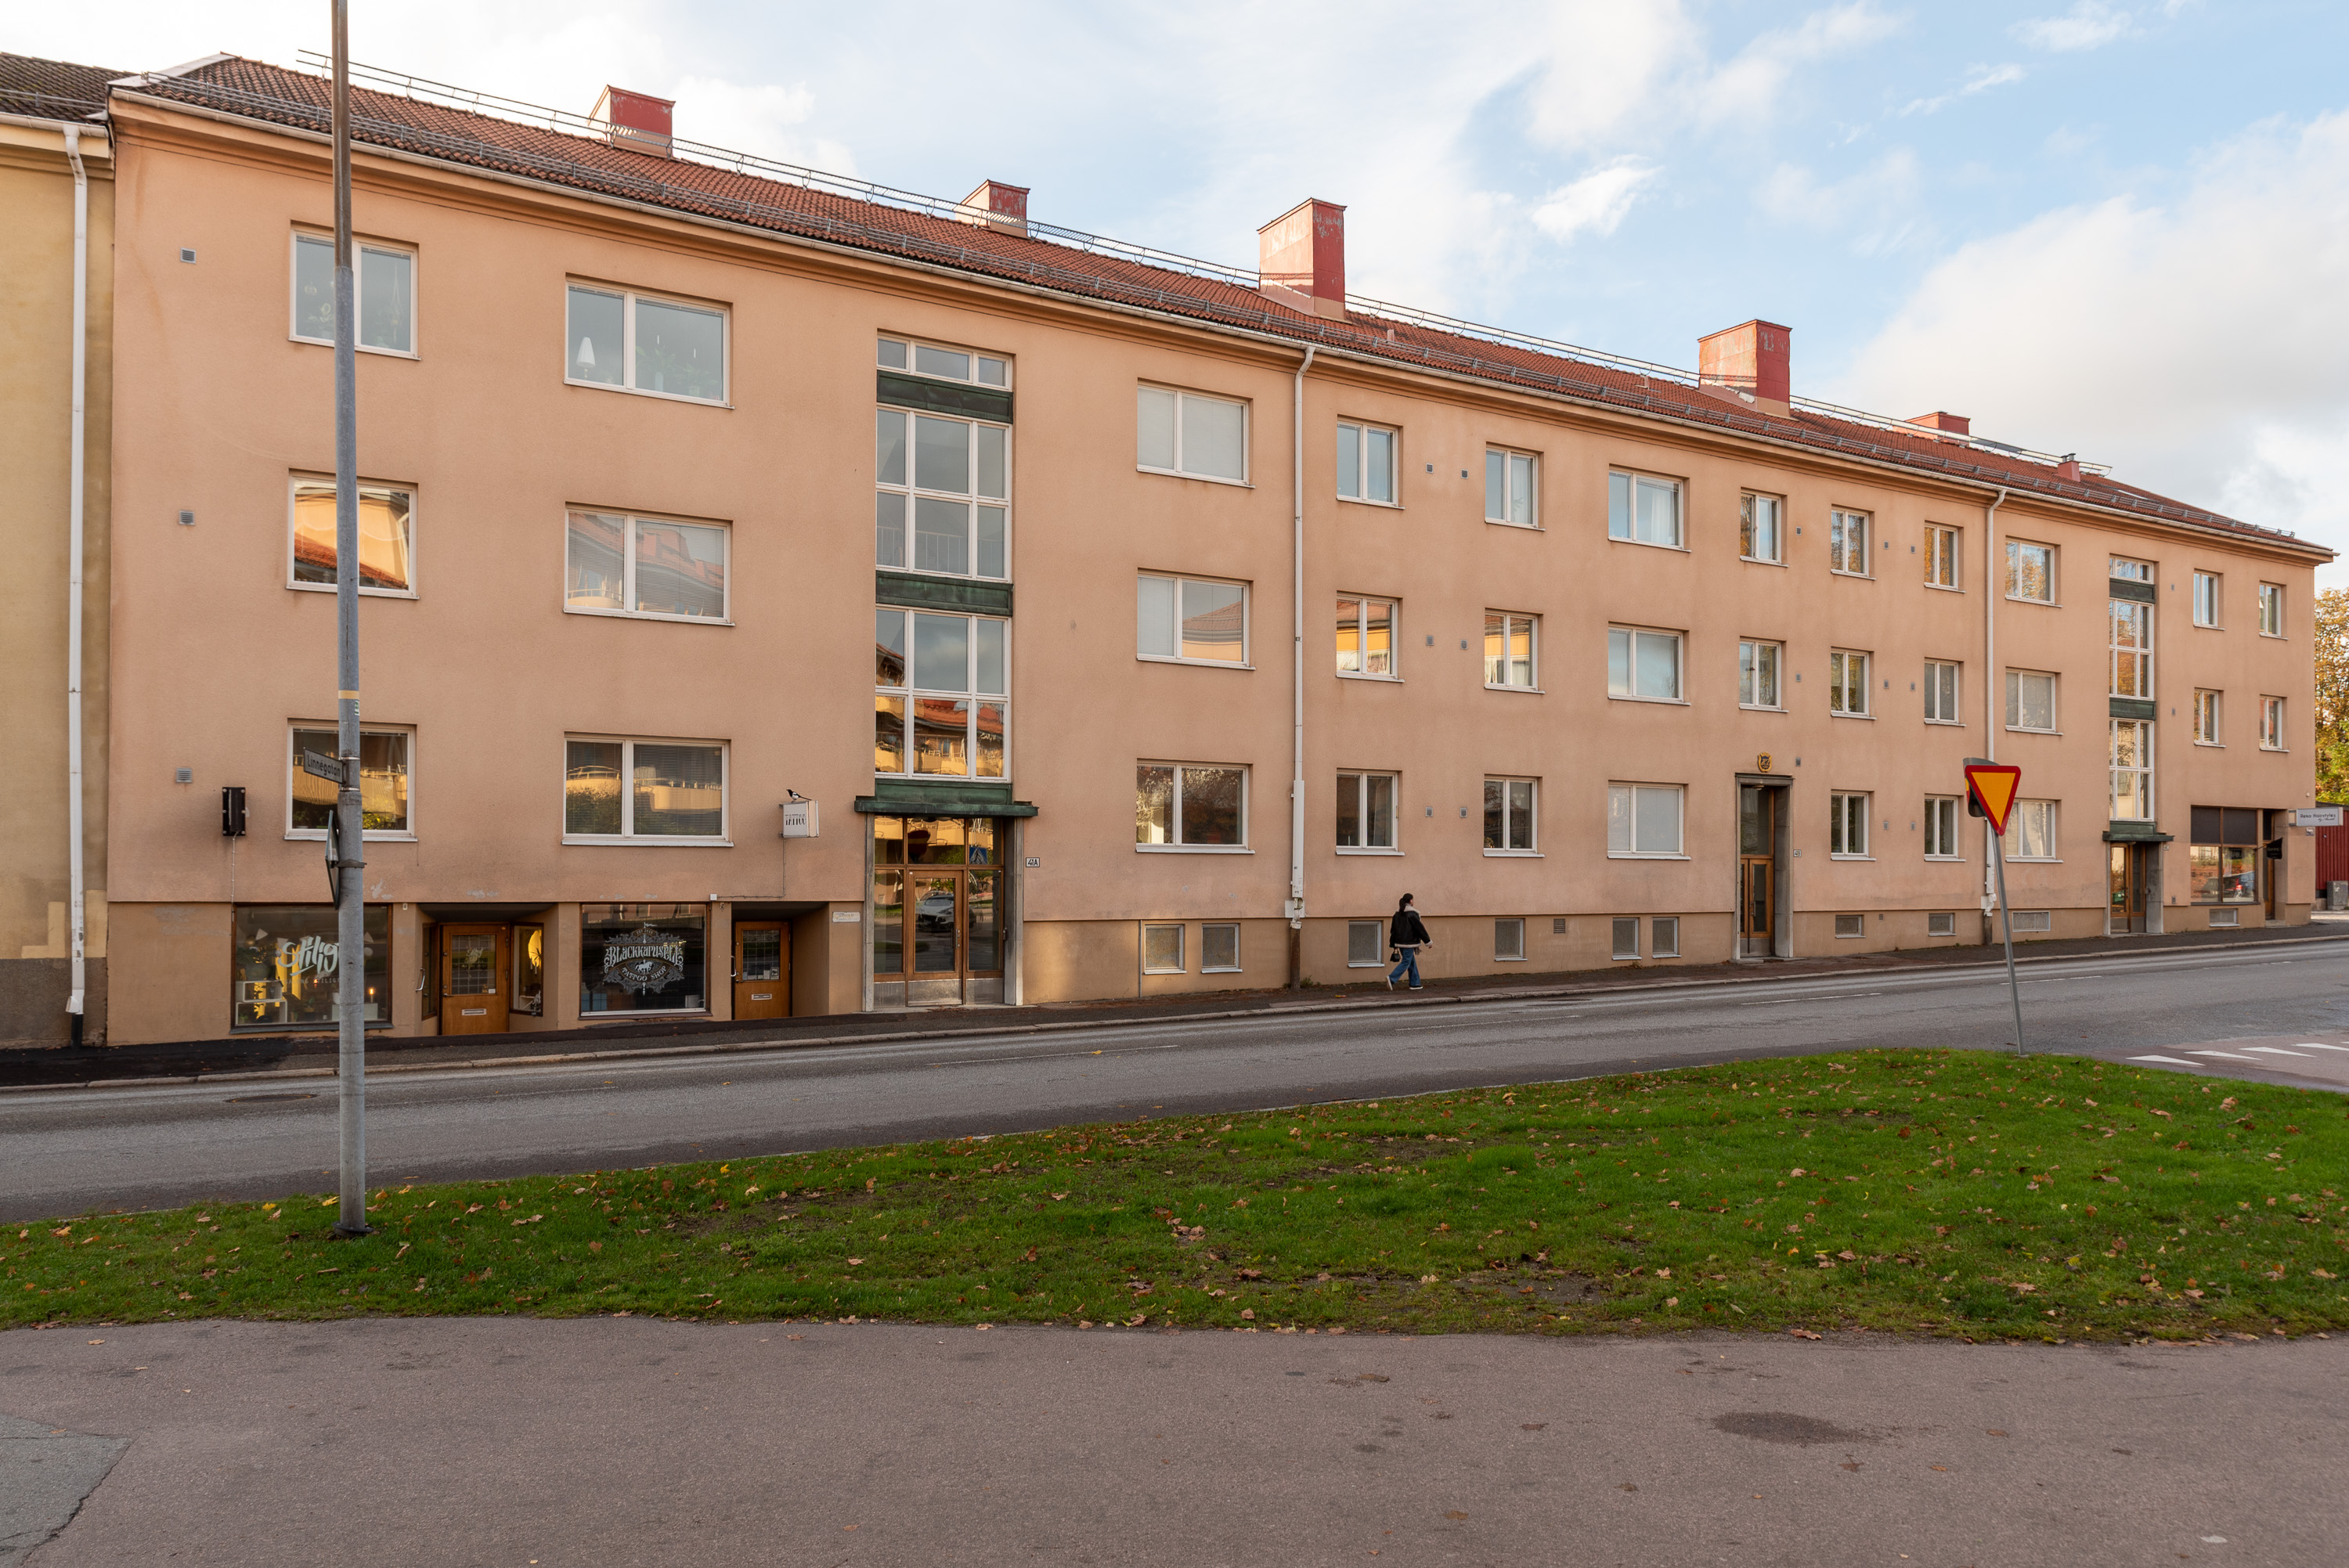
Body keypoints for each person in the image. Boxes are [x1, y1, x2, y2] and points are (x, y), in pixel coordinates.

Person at [1387, 893, 1431, 990]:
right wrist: (1428, 941)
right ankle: (1391, 978)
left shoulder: (1397, 914)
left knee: (1411, 962)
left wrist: (1394, 944)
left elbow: (1393, 930)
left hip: (1400, 943)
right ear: (1411, 901)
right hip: (1409, 943)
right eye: (1413, 900)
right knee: (1406, 962)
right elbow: (1420, 929)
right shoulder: (1413, 914)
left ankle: (1415, 983)